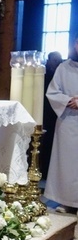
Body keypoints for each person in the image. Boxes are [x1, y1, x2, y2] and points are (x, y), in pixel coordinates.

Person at [44, 36, 78, 214]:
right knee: (67, 163)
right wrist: (68, 100)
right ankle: (66, 201)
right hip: (68, 120)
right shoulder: (63, 68)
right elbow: (53, 92)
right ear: (75, 44)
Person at [40, 51, 64, 179]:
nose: (58, 63)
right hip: (45, 113)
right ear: (48, 61)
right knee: (46, 143)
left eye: (59, 60)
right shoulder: (43, 76)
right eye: (55, 60)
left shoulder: (60, 73)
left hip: (58, 115)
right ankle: (43, 170)